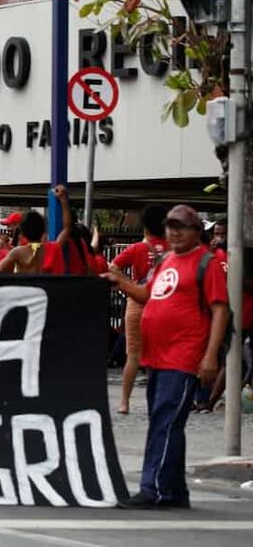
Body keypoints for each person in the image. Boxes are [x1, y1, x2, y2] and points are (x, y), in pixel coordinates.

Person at [104, 204, 228, 509]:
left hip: (183, 356)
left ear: (196, 232)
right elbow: (148, 296)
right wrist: (120, 282)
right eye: (170, 226)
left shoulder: (207, 263)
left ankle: (154, 489)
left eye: (181, 227)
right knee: (167, 422)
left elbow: (220, 309)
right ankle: (173, 490)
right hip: (156, 356)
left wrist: (210, 356)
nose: (173, 232)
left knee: (165, 421)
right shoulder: (165, 260)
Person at [110, 204, 169, 415]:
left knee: (133, 355)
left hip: (137, 302)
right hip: (163, 303)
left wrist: (128, 286)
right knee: (162, 354)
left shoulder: (137, 249)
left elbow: (112, 268)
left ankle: (124, 402)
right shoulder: (173, 251)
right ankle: (157, 401)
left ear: (145, 228)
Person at [0, 186, 72, 274]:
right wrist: (64, 200)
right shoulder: (54, 248)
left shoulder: (17, 252)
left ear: (22, 233)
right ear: (43, 231)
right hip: (52, 287)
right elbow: (67, 228)